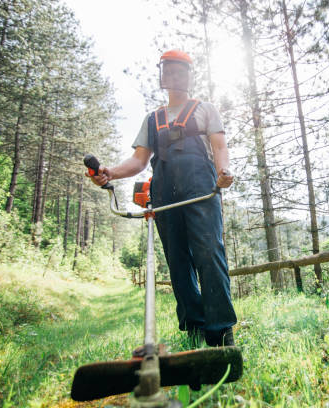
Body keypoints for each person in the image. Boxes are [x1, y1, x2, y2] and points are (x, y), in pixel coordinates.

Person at [87, 49, 237, 347]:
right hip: (164, 193)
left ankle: (220, 331)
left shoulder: (205, 109)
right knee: (178, 261)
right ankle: (195, 328)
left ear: (189, 75)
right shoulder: (152, 119)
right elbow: (139, 161)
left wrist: (224, 171)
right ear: (162, 75)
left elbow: (219, 146)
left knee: (209, 253)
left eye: (180, 70)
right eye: (169, 70)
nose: (174, 75)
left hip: (201, 189)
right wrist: (110, 173)